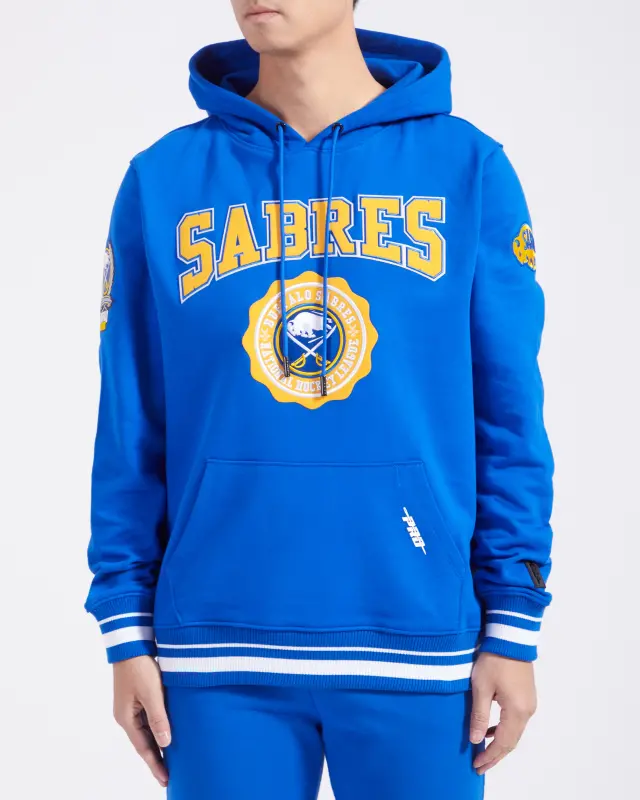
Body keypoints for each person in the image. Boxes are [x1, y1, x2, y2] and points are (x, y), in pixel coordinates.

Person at [85, 1, 554, 797]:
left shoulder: (467, 169)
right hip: (215, 651)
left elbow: (508, 415)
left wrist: (513, 621)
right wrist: (125, 627)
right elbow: (132, 423)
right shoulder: (162, 182)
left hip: (418, 642)